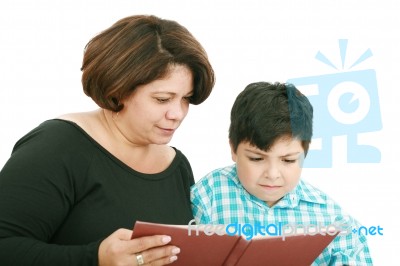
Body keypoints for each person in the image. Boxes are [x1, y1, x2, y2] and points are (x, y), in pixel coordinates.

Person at [0, 15, 215, 266]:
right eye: (162, 99)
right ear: (118, 89)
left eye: (186, 98)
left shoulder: (176, 165)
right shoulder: (57, 147)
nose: (177, 113)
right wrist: (96, 258)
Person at [191, 82, 373, 265]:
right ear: (233, 149)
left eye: (288, 160)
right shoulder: (208, 195)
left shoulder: (333, 220)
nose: (272, 174)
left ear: (304, 154)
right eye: (256, 159)